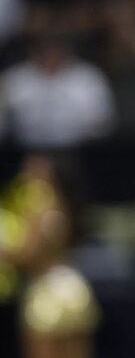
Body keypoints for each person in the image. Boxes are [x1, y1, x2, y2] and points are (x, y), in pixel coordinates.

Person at [0, 152, 100, 358]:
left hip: (48, 294)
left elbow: (30, 254)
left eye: (31, 170)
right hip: (73, 286)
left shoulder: (39, 208)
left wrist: (7, 253)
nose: (24, 175)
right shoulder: (63, 207)